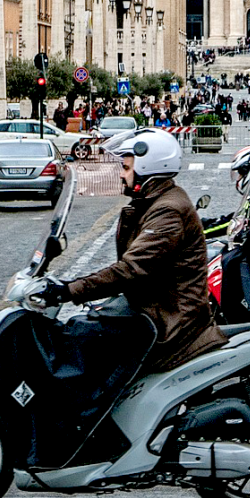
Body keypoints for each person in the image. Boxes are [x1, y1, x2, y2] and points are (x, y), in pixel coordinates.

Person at [38, 129, 227, 373]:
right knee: (86, 327)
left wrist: (69, 290)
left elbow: (132, 269)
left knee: (84, 342)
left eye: (126, 168)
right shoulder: (154, 202)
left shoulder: (167, 211)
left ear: (147, 168)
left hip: (171, 322)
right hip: (156, 308)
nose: (121, 174)